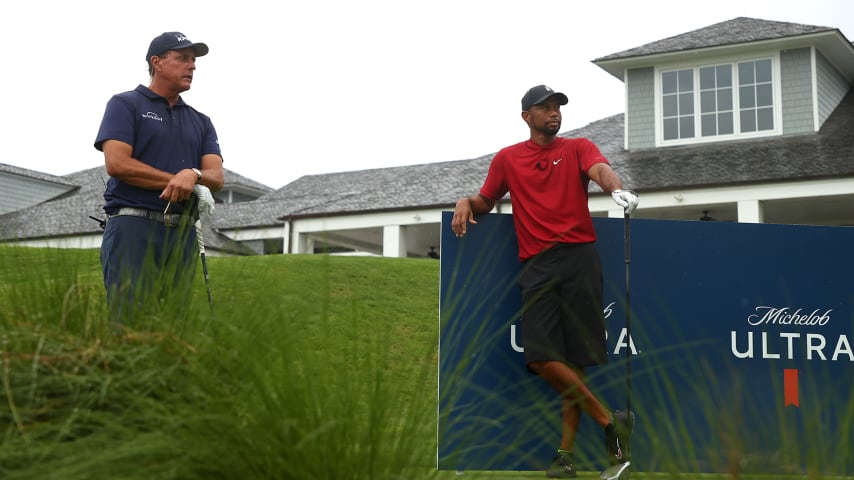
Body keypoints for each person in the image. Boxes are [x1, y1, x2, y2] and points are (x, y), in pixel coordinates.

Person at [451, 85, 639, 478]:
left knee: (574, 361)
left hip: (579, 259)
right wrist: (465, 202)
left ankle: (563, 457)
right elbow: (487, 199)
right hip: (537, 263)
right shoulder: (508, 158)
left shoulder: (577, 147)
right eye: (545, 108)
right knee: (540, 357)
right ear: (526, 116)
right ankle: (610, 424)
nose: (554, 113)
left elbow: (600, 169)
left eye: (557, 108)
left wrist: (616, 189)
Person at [94, 32, 224, 325]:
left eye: (193, 61)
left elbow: (216, 177)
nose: (192, 66)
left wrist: (193, 174)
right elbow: (117, 163)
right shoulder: (125, 104)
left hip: (182, 235)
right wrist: (177, 180)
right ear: (157, 62)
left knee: (172, 327)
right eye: (182, 59)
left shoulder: (201, 122)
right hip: (132, 227)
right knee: (129, 323)